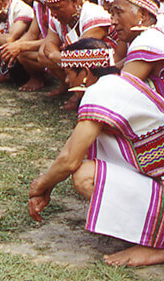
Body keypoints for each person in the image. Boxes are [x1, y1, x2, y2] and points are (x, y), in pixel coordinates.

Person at [29, 37, 164, 267]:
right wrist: (47, 183)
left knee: (85, 176)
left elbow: (70, 161)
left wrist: (39, 187)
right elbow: (71, 149)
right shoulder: (117, 83)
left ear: (86, 73)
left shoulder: (100, 91)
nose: (67, 79)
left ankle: (157, 246)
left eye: (69, 73)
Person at [40, 0, 112, 109]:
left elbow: (83, 56)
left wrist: (58, 56)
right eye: (50, 9)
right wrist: (65, 58)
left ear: (74, 1)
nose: (53, 14)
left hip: (108, 66)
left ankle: (81, 95)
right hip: (78, 61)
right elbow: (47, 46)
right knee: (42, 56)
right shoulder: (56, 18)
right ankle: (73, 88)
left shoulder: (93, 15)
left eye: (56, 8)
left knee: (83, 62)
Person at [0, 0, 51, 92]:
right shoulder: (38, 3)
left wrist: (20, 46)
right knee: (21, 53)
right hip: (49, 46)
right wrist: (11, 47)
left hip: (60, 47)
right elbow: (32, 34)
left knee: (23, 50)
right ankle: (36, 78)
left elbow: (57, 39)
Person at [111, 0, 163, 90]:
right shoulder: (149, 36)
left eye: (119, 13)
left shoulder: (148, 41)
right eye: (113, 14)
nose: (114, 21)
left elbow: (118, 90)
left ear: (143, 15)